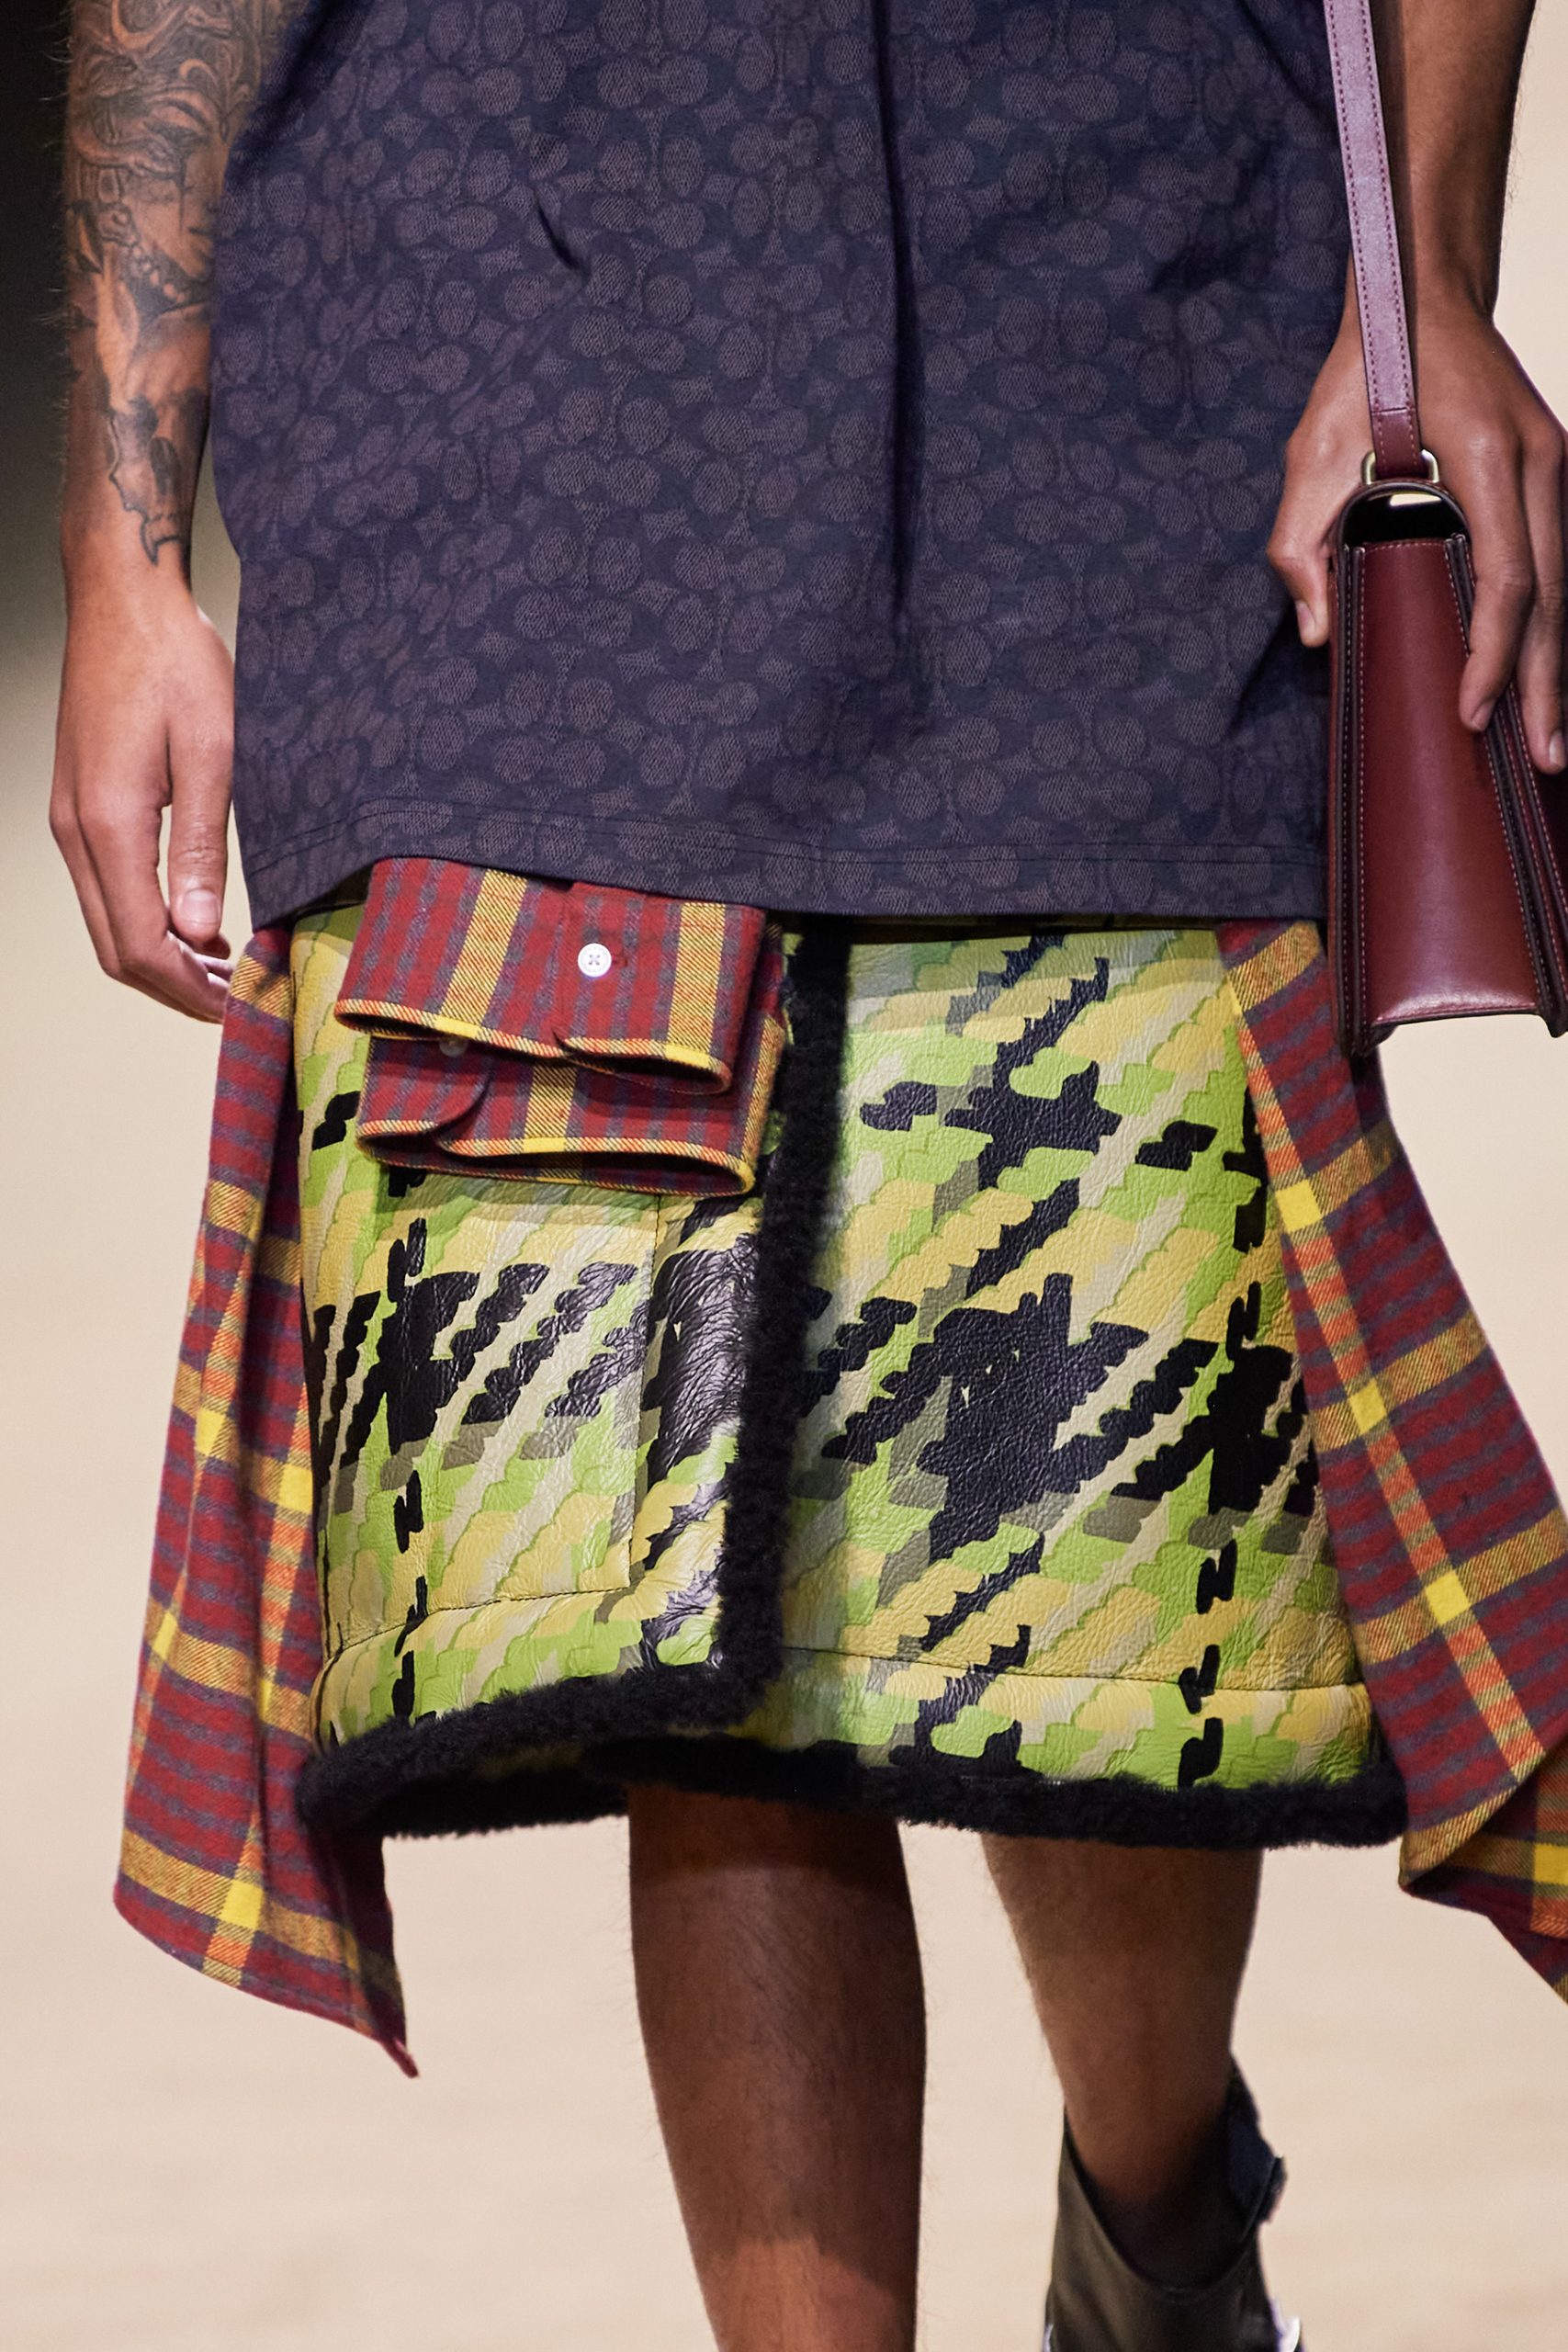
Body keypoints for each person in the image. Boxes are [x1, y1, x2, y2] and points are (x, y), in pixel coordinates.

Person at [51, 5, 1568, 2348]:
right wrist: (125, 534)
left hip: (1112, 307)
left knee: (1102, 1506)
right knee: (675, 1617)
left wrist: (1423, 276)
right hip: (495, 384)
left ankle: (1159, 2219)